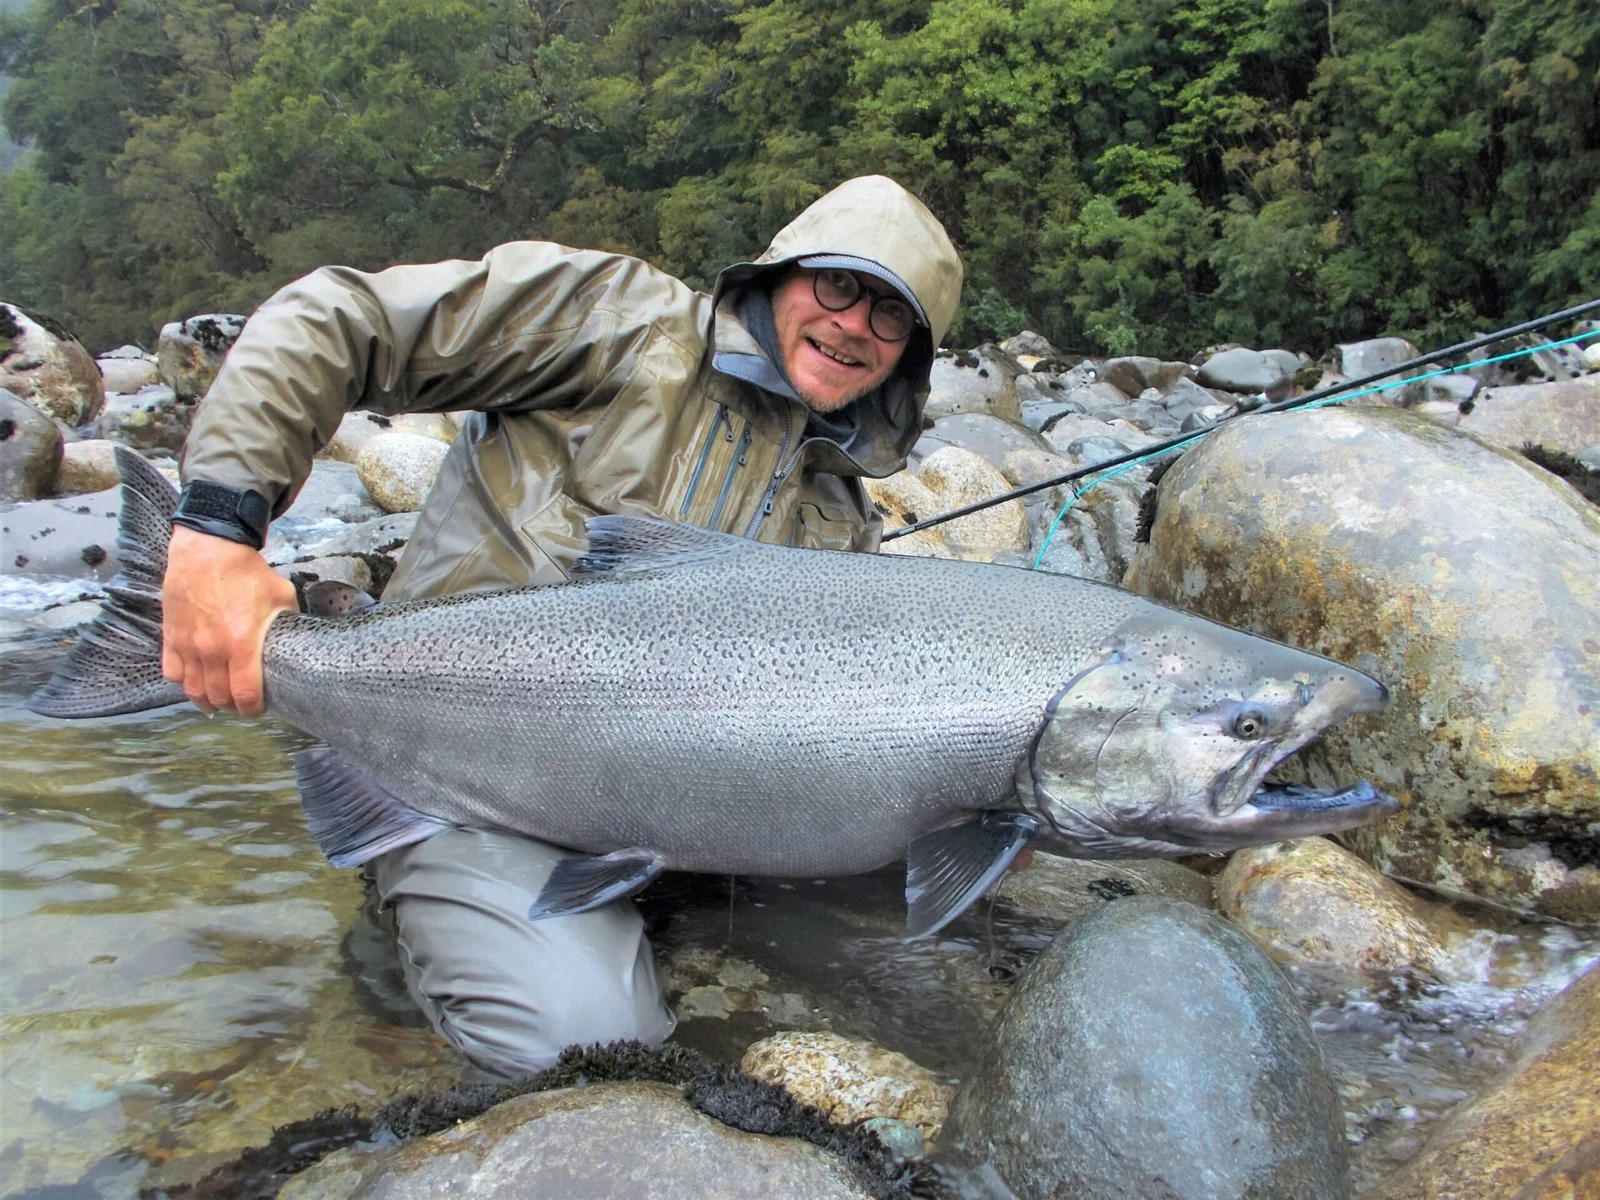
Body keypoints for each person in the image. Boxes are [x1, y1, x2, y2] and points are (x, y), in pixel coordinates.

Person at [162, 174, 964, 1077]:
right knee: (586, 1049)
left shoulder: (843, 516)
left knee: (927, 944)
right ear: (774, 278)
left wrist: (959, 808)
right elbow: (339, 316)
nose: (855, 323)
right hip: (458, 773)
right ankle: (406, 939)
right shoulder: (617, 321)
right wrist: (214, 533)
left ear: (909, 358)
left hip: (648, 822)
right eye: (839, 285)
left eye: (891, 314)